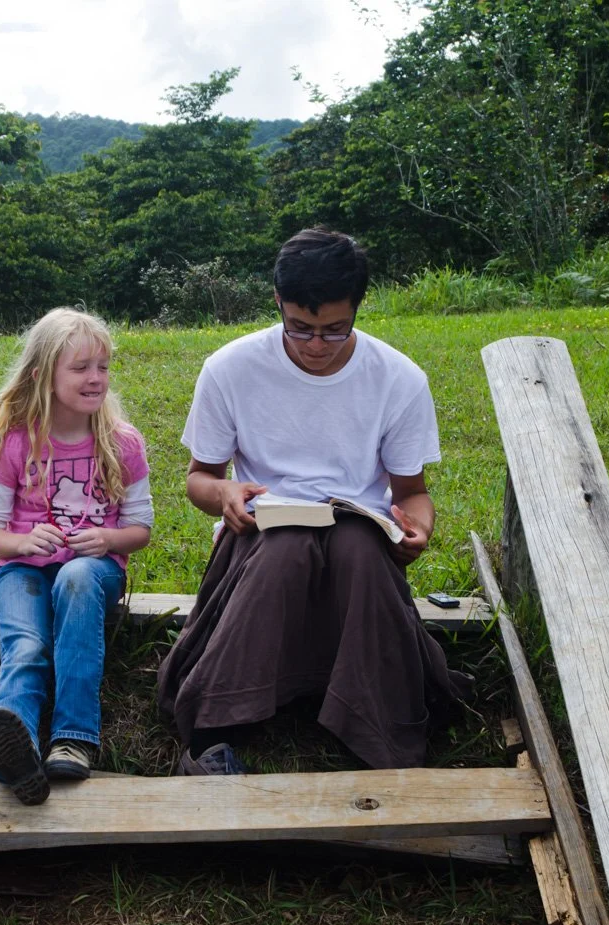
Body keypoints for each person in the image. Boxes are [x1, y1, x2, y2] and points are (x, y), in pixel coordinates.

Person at [156, 228, 471, 775]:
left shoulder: (397, 378)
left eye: (334, 330)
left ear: (357, 309)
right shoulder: (230, 368)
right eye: (300, 329)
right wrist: (226, 493)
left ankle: (380, 732)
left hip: (360, 536)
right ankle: (215, 733)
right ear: (277, 303)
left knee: (353, 546)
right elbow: (199, 479)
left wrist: (418, 530)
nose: (317, 346)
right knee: (289, 549)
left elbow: (411, 492)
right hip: (262, 537)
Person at [0, 307, 153, 805]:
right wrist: (22, 543)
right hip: (22, 570)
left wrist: (110, 542)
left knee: (75, 578)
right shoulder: (16, 443)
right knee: (26, 646)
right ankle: (11, 742)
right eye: (81, 367)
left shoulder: (123, 444)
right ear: (42, 375)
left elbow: (141, 528)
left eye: (103, 367)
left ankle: (73, 737)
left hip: (93, 573)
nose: (96, 378)